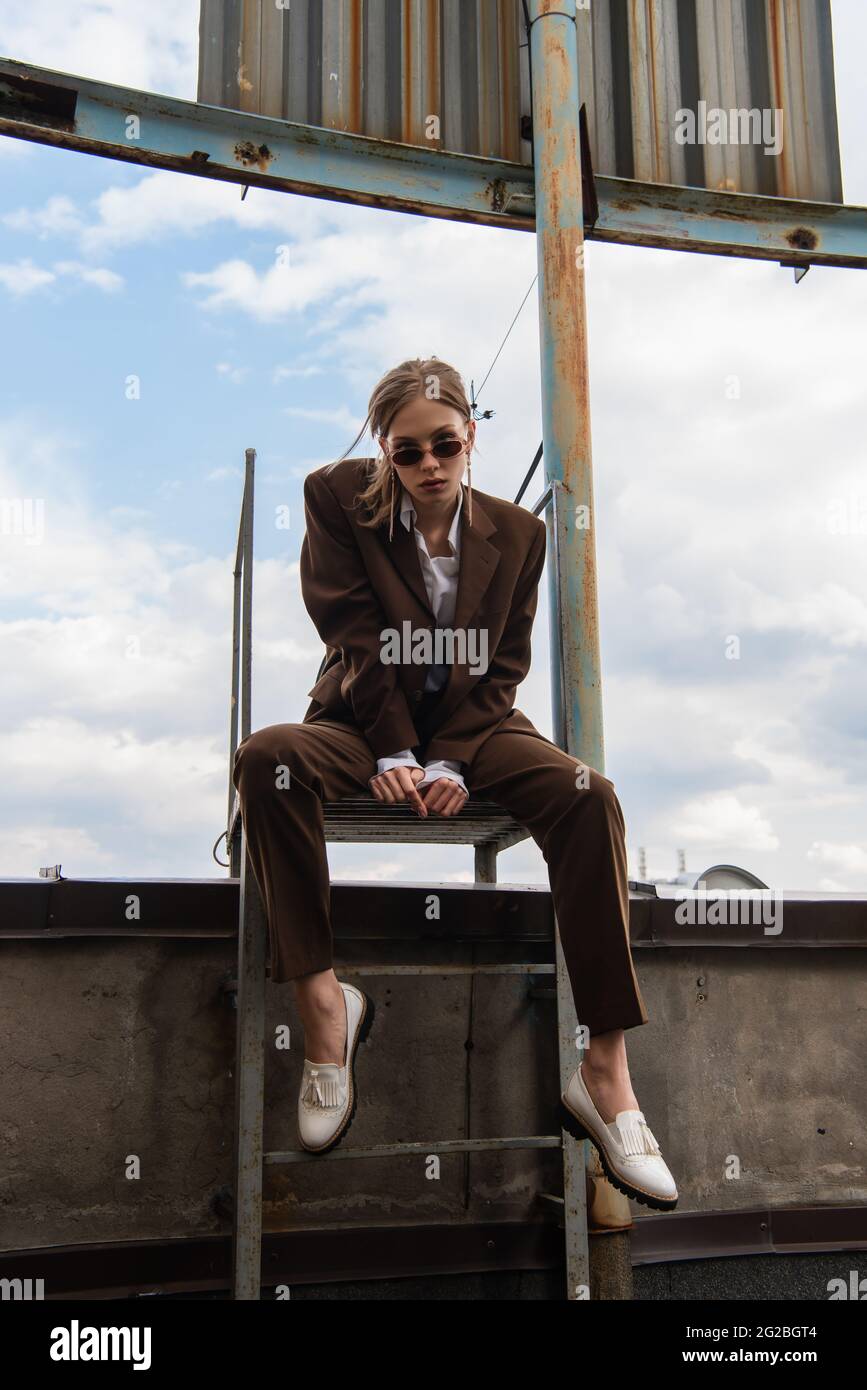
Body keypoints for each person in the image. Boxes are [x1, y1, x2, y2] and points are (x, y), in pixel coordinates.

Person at [232, 356, 677, 1209]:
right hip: (361, 723)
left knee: (588, 796)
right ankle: (326, 1009)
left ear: (470, 438)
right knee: (267, 759)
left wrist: (451, 760)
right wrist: (399, 751)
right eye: (407, 453)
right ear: (383, 452)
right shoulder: (335, 497)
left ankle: (605, 1071)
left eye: (445, 445)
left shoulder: (520, 535)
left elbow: (504, 664)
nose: (429, 466)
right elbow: (355, 636)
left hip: (478, 726)